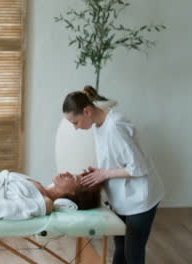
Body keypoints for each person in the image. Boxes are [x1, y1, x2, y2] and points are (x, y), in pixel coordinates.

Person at [62, 85, 164, 264]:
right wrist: (99, 172)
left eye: (75, 122)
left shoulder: (115, 126)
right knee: (121, 249)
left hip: (140, 199)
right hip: (123, 198)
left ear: (86, 111)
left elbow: (138, 167)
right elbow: (116, 159)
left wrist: (105, 174)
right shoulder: (98, 124)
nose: (75, 128)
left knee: (133, 254)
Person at [0, 169, 101, 220]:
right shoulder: (41, 187)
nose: (67, 173)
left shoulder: (42, 203)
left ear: (71, 193)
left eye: (73, 178)